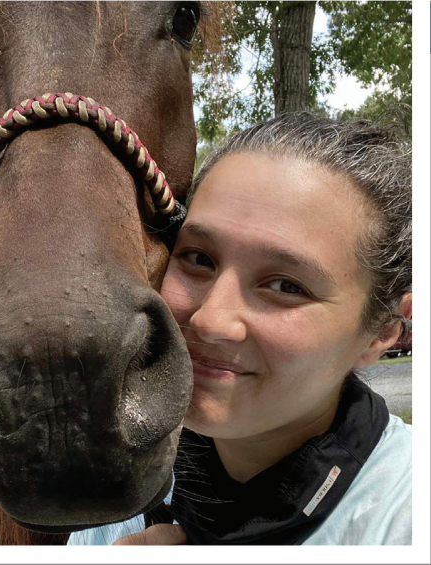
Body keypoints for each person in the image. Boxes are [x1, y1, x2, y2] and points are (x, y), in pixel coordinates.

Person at [67, 113, 412, 545]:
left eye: (286, 286)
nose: (210, 320)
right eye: (198, 258)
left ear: (382, 331)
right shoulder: (117, 491)